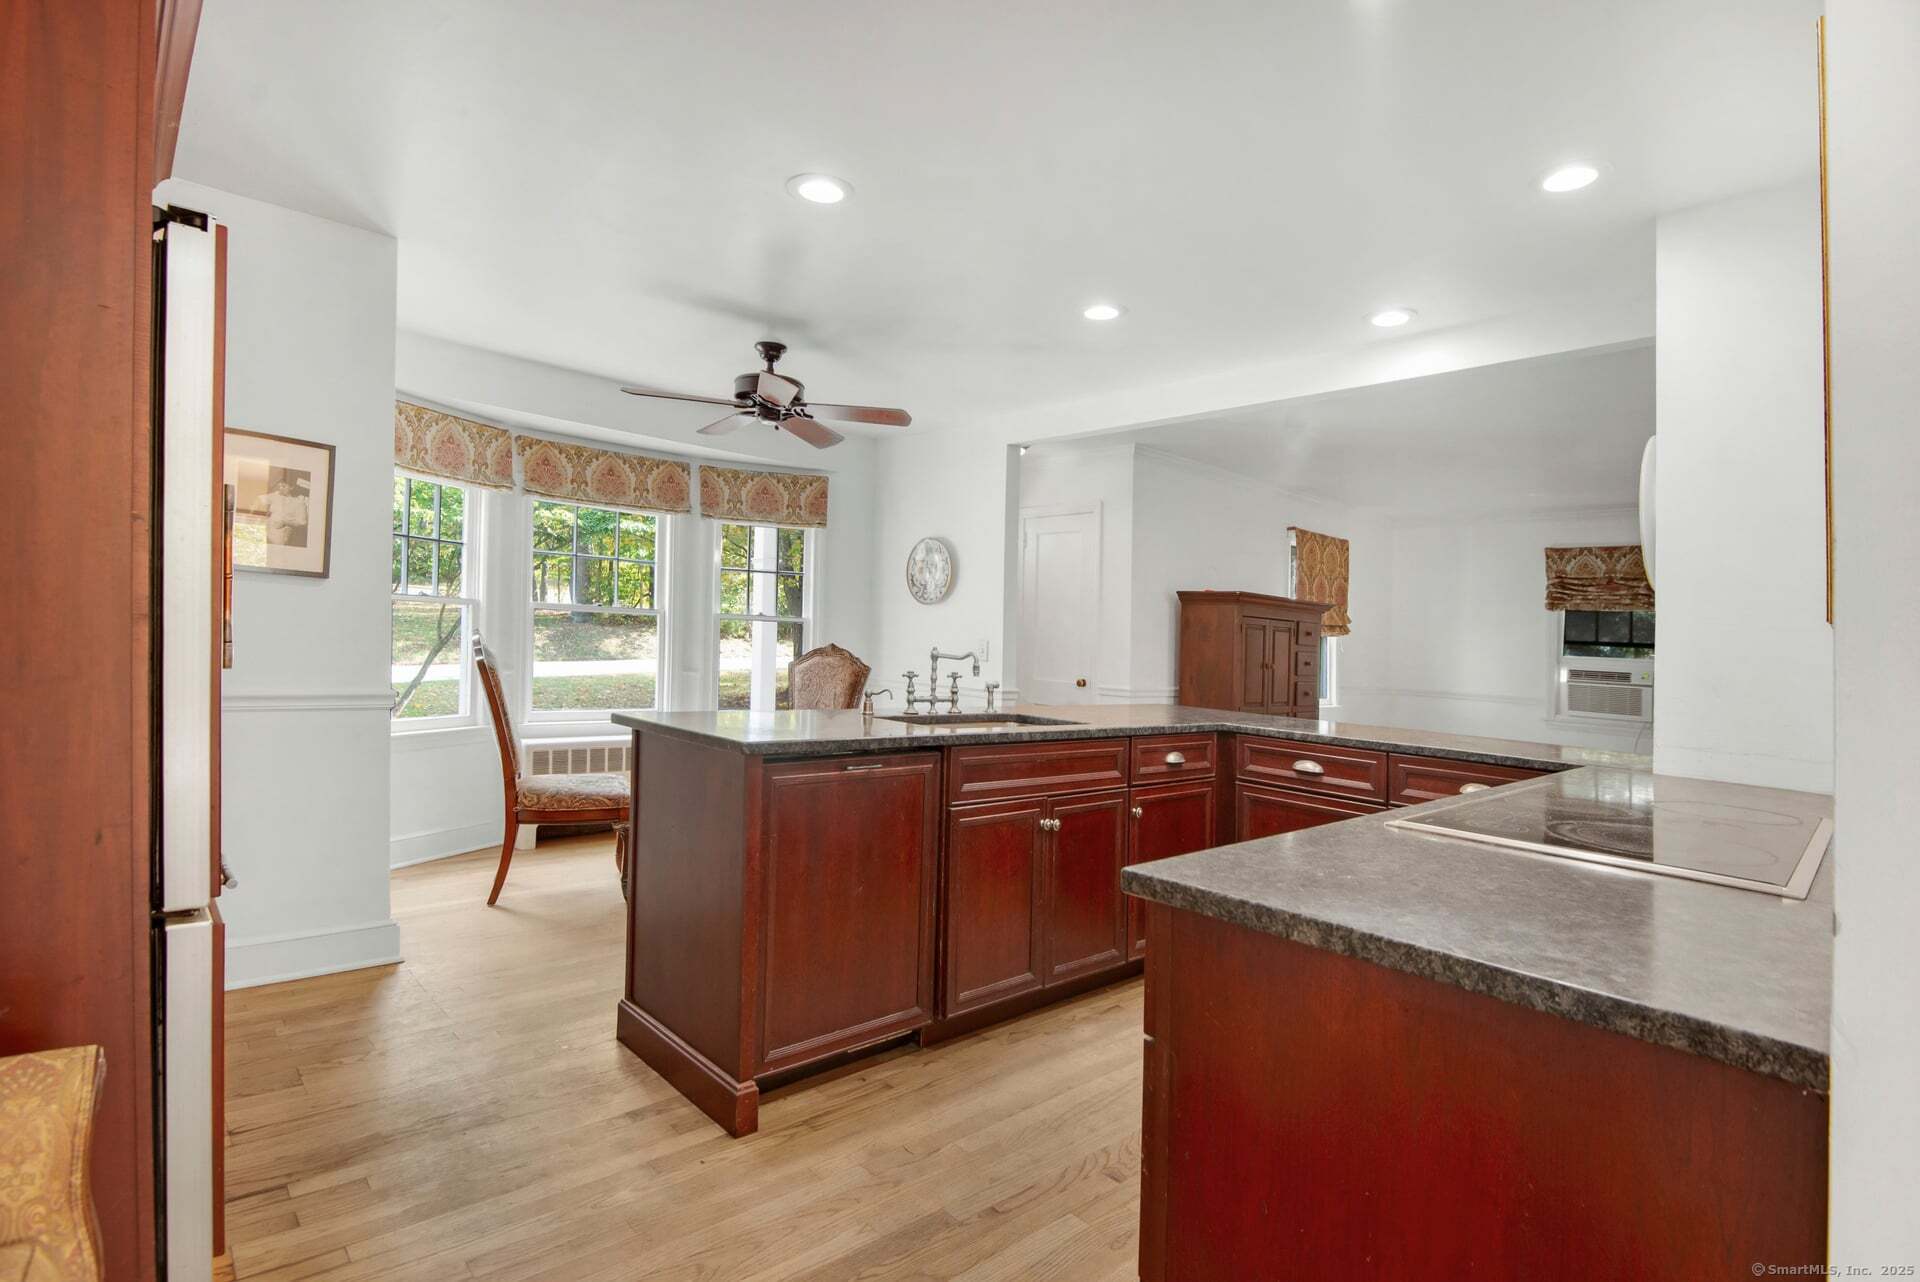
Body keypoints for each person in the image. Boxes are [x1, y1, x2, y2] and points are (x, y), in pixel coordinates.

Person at [264, 475, 310, 547]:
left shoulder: (298, 503)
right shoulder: (276, 498)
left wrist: (285, 522)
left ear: (291, 487)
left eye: (283, 486)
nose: (280, 489)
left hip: (280, 534)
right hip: (267, 530)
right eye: (279, 486)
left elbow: (302, 522)